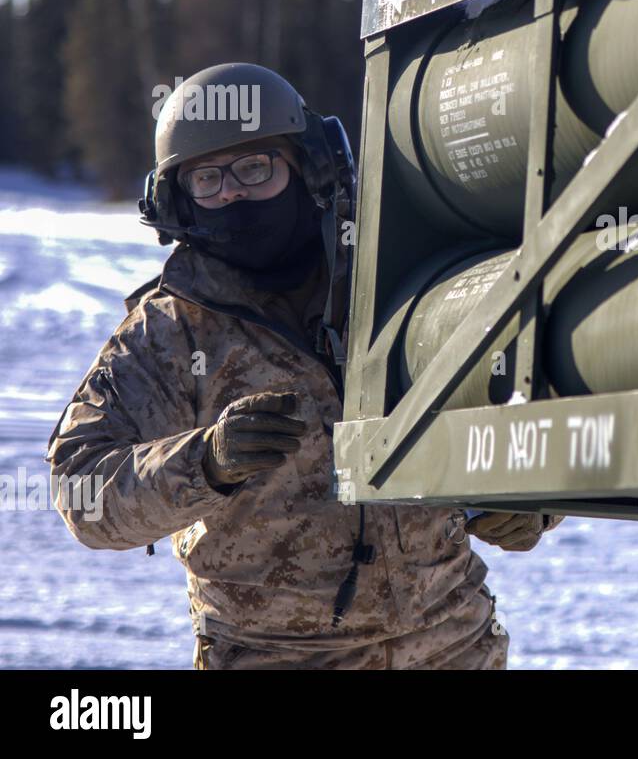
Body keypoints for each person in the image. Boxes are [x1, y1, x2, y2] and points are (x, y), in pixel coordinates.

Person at [46, 63, 561, 669]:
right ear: (178, 201)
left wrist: (529, 500)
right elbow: (81, 488)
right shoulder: (168, 333)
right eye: (207, 180)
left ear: (307, 168)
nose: (231, 193)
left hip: (449, 643)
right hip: (277, 657)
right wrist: (205, 464)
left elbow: (521, 396)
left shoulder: (400, 283)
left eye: (254, 168)